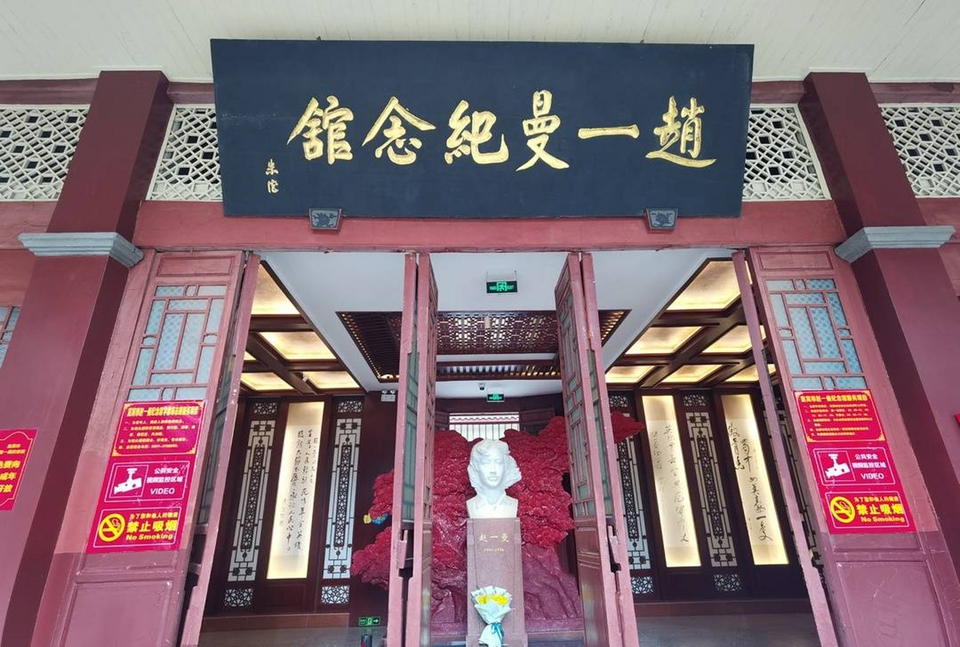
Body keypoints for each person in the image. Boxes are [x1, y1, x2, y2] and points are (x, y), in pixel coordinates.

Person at [466, 439, 522, 519]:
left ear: (505, 466)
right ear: (476, 466)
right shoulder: (472, 505)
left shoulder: (513, 504)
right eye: (486, 462)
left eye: (498, 462)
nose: (493, 470)